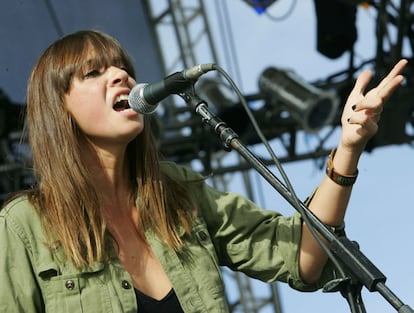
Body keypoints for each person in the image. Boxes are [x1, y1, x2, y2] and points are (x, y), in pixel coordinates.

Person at [0, 29, 407, 313]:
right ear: (60, 110)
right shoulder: (24, 227)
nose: (121, 75)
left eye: (121, 67)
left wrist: (348, 149)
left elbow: (301, 253)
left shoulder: (179, 194)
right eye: (94, 73)